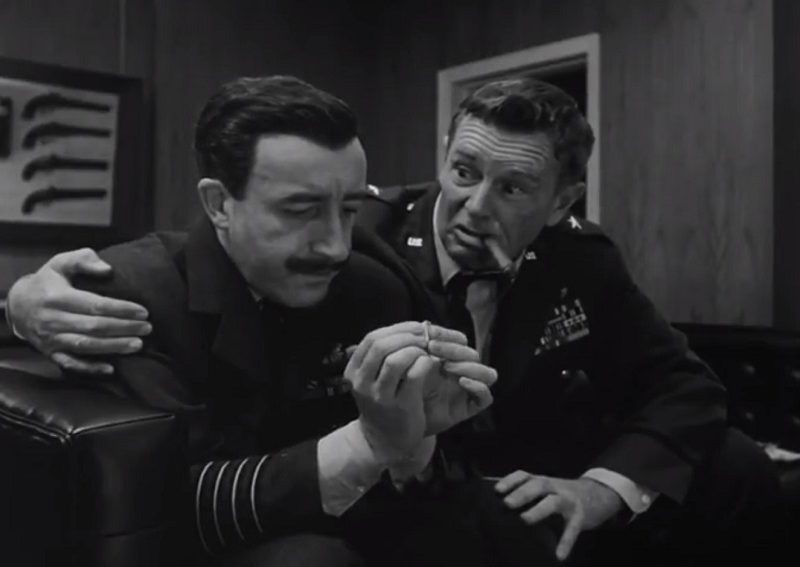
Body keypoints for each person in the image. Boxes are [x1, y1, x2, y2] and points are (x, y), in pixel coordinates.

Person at [6, 77, 787, 565]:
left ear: (561, 203)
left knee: (738, 464)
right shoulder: (146, 290)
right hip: (305, 507)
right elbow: (178, 489)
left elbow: (680, 382)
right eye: (463, 172)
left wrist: (596, 486)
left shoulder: (384, 272)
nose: (335, 242)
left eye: (514, 189)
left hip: (476, 480)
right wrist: (16, 302)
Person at [4, 75, 517, 567]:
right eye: (300, 210)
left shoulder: (374, 284)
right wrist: (368, 445)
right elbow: (165, 508)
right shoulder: (131, 298)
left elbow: (432, 482)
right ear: (219, 204)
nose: (335, 246)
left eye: (349, 209)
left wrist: (417, 445)